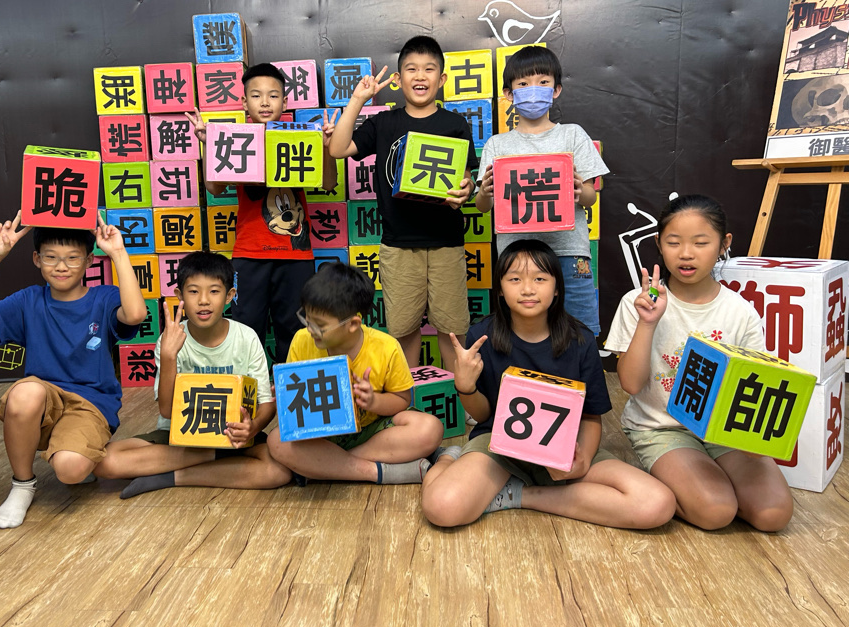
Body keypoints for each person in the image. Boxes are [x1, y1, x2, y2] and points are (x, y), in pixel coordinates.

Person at [421, 239, 675, 529]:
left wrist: (582, 460)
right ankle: (447, 459)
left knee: (656, 503)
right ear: (500, 289)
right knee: (441, 507)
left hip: (564, 449)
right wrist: (466, 387)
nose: (528, 289)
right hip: (499, 448)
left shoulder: (580, 340)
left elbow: (591, 417)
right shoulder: (482, 336)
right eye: (515, 279)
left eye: (540, 279)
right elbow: (483, 416)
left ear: (556, 288)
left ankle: (518, 495)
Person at [604, 194, 794, 531]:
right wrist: (648, 323)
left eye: (701, 243)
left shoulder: (741, 311)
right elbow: (631, 385)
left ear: (724, 244)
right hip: (661, 427)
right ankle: (672, 479)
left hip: (724, 432)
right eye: (673, 242)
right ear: (659, 244)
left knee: (773, 514)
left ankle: (703, 478)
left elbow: (754, 384)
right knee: (716, 512)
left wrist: (754, 442)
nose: (686, 253)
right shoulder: (638, 303)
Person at [0, 212, 146, 528]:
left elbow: (136, 314)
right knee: (25, 392)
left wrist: (118, 253)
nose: (61, 266)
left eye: (72, 258)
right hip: (42, 400)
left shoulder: (104, 297)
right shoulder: (29, 300)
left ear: (89, 261)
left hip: (90, 405)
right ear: (37, 259)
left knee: (70, 471)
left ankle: (79, 448)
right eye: (51, 257)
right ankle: (22, 485)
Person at [327, 36, 478, 371]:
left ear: (442, 79)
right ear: (397, 79)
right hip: (398, 245)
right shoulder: (383, 123)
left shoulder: (455, 124)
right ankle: (406, 395)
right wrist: (358, 99)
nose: (420, 76)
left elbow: (465, 180)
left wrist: (465, 190)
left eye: (429, 69)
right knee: (404, 330)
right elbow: (337, 149)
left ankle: (459, 393)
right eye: (411, 69)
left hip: (447, 243)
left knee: (452, 330)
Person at [95, 252, 290, 497]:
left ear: (230, 295)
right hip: (179, 437)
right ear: (180, 296)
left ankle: (172, 476)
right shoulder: (170, 340)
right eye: (194, 291)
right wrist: (169, 356)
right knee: (105, 461)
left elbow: (266, 403)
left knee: (279, 468)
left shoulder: (246, 337)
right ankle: (216, 457)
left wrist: (253, 428)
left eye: (214, 291)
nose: (204, 301)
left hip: (234, 435)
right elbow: (167, 411)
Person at [186, 63, 338, 365]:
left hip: (295, 254)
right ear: (245, 102)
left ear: (285, 102)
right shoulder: (236, 138)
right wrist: (209, 145)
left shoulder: (301, 137)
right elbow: (214, 188)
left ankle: (291, 390)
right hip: (249, 253)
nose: (265, 102)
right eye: (256, 96)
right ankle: (247, 392)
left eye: (273, 95)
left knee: (296, 331)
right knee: (246, 328)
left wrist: (325, 147)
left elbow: (330, 183)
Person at [266, 261, 444, 485]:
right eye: (306, 319)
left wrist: (372, 401)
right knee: (276, 440)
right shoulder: (302, 340)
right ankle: (376, 472)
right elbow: (296, 417)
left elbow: (402, 400)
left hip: (371, 433)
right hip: (321, 436)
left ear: (352, 324)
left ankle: (321, 467)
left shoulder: (386, 347)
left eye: (319, 325)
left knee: (430, 428)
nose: (310, 329)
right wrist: (285, 400)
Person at [475, 45, 609, 335]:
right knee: (524, 335)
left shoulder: (573, 135)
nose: (533, 90)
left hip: (569, 252)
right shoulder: (497, 145)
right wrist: (484, 192)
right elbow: (482, 205)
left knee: (580, 333)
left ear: (556, 90)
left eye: (543, 82)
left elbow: (590, 196)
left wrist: (579, 190)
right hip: (517, 257)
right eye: (523, 84)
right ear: (509, 94)